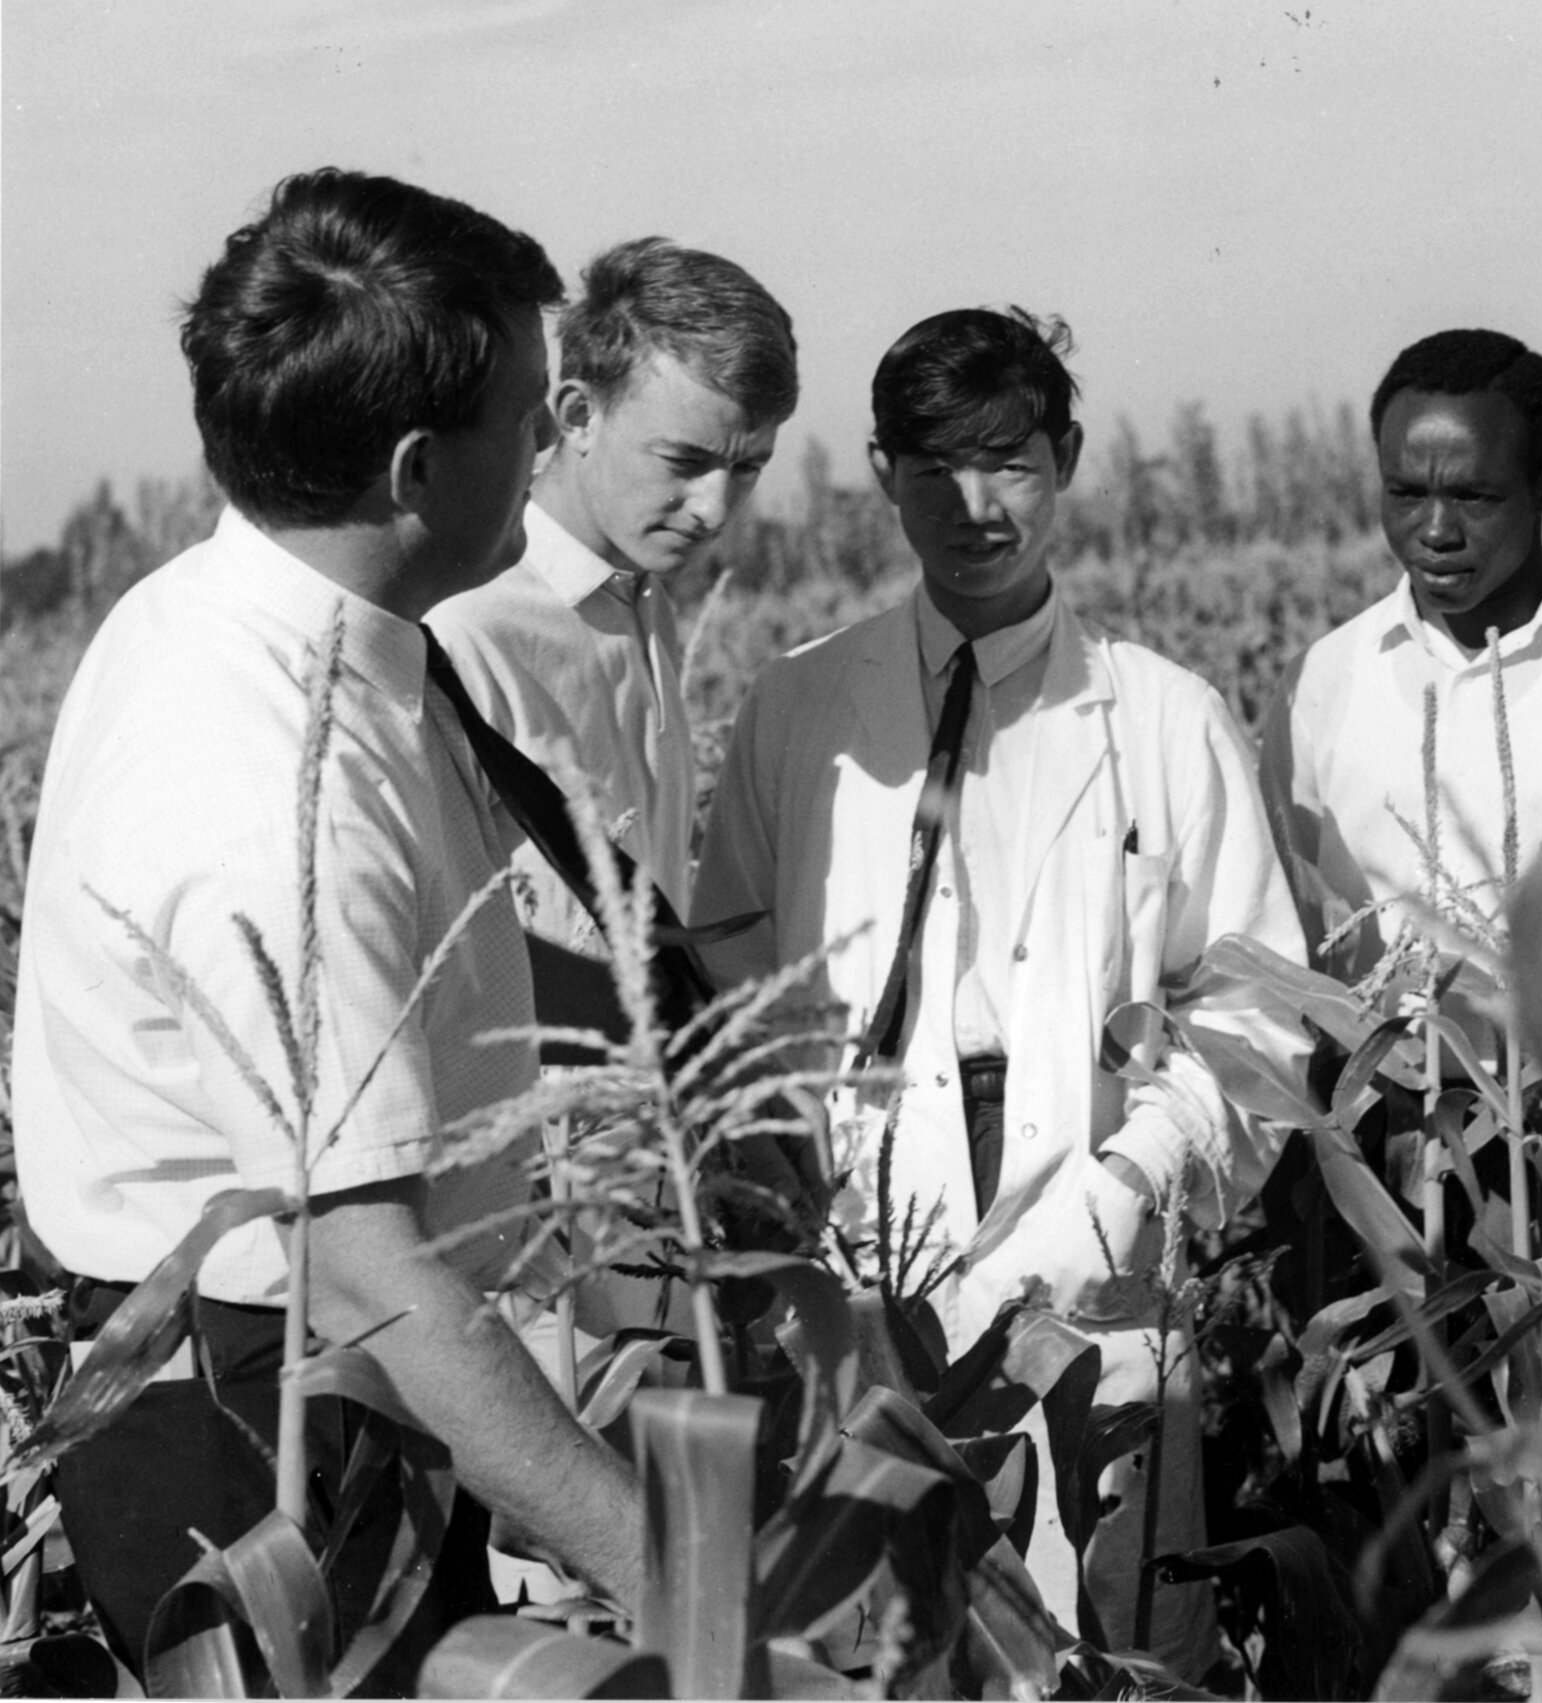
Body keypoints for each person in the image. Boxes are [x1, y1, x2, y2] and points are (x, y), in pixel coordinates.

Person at [9, 169, 641, 1681]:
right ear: (421, 470)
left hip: (327, 1384)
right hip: (263, 1439)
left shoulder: (247, 614)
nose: (556, 446)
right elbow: (364, 1267)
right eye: (533, 416)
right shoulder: (259, 770)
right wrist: (665, 1560)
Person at [688, 307, 1307, 1673]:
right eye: (933, 466)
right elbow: (723, 992)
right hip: (856, 1253)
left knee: (1097, 1635)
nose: (973, 505)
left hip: (1089, 1245)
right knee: (879, 1643)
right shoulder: (794, 711)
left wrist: (1134, 1175)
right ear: (879, 472)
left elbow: (1261, 1020)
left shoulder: (1164, 715)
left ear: (1066, 457)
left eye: (1009, 461)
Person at [429, 237, 796, 968]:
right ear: (576, 415)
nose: (715, 509)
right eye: (685, 462)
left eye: (747, 468)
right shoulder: (465, 626)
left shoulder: (643, 594)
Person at [1260, 329, 1542, 982]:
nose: (1436, 530)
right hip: (1368, 1076)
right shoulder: (1321, 682)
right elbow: (1279, 924)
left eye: (1473, 496)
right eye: (1407, 494)